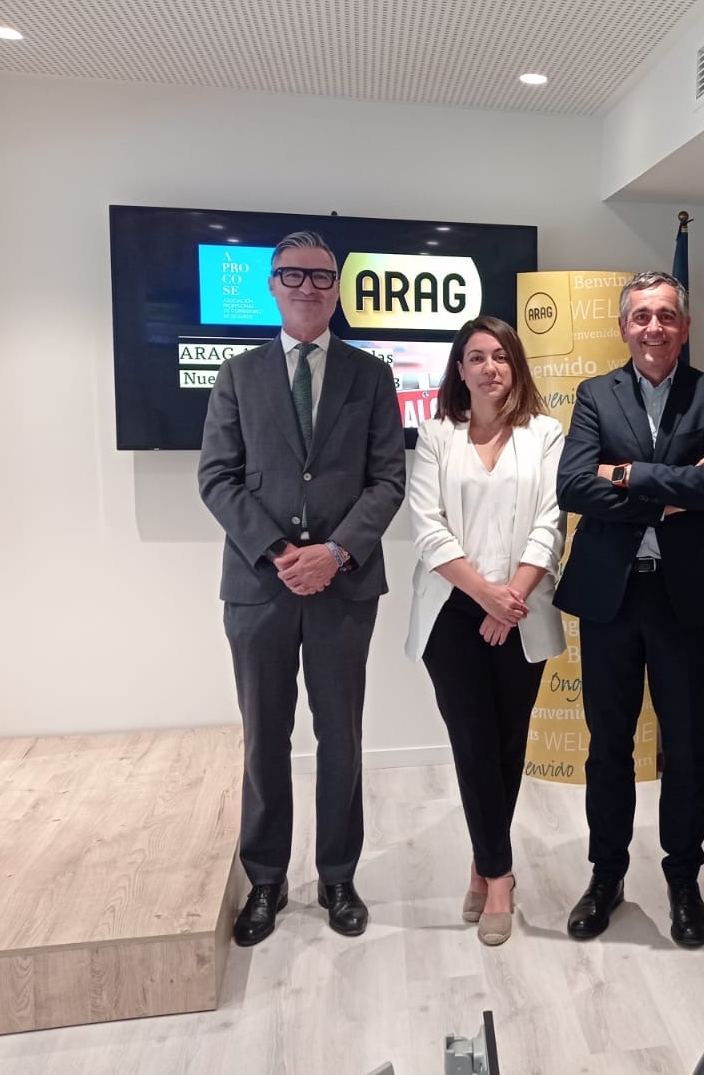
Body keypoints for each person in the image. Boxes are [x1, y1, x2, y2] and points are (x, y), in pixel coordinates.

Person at [198, 229, 406, 946]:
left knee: (340, 735)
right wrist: (283, 551)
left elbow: (388, 481)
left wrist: (336, 553)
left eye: (321, 276)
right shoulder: (237, 375)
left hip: (344, 589)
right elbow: (216, 478)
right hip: (259, 587)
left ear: (338, 288)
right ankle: (265, 879)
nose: (307, 287)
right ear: (272, 285)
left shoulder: (371, 376)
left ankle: (338, 876)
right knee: (265, 737)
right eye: (293, 275)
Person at [554, 271, 704, 949]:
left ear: (684, 327)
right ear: (623, 327)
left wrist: (628, 474)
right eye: (641, 317)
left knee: (686, 750)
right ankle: (606, 877)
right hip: (610, 597)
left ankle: (684, 880)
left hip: (682, 599)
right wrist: (673, 492)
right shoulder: (594, 394)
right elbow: (573, 485)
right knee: (608, 748)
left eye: (666, 316)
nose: (653, 328)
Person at [404, 316, 567, 947]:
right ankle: (499, 879)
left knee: (507, 745)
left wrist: (509, 600)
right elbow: (427, 527)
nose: (489, 367)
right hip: (452, 611)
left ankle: (481, 864)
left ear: (515, 364)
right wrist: (485, 597)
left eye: (500, 355)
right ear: (460, 369)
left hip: (521, 610)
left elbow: (550, 523)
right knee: (472, 743)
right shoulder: (435, 434)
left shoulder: (545, 434)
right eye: (476, 357)